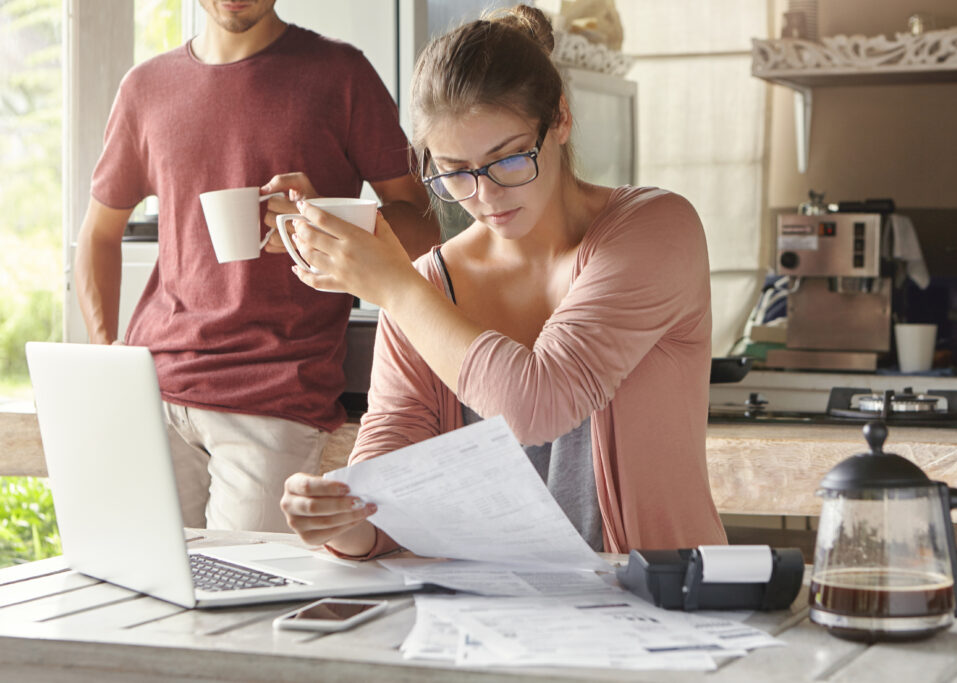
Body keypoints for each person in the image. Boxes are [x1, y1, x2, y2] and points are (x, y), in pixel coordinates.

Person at [279, 5, 726, 556]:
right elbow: (387, 495)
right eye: (455, 172)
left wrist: (395, 288)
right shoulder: (428, 285)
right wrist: (337, 520)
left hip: (656, 610)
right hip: (497, 615)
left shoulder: (655, 230)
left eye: (509, 160)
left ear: (559, 119)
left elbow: (537, 405)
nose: (485, 197)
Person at [75, 0, 439, 533]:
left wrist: (322, 217)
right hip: (151, 390)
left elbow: (424, 226)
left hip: (275, 397)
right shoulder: (144, 88)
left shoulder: (342, 76)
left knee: (245, 598)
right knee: (144, 589)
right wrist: (107, 357)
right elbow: (99, 235)